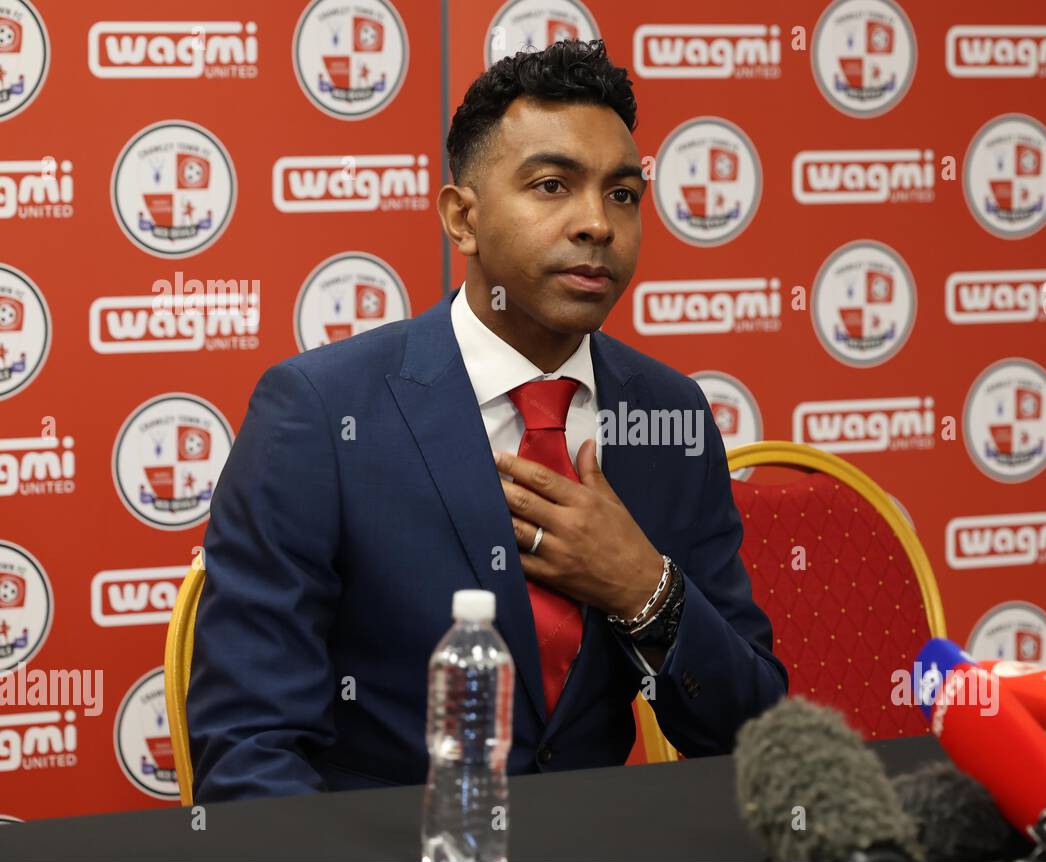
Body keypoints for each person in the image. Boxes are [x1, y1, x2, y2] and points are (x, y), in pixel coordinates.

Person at [187, 38, 788, 800]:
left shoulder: (667, 415)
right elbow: (247, 752)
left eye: (622, 194)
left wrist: (645, 587)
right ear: (461, 218)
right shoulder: (319, 414)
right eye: (551, 186)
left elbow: (757, 734)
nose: (596, 223)